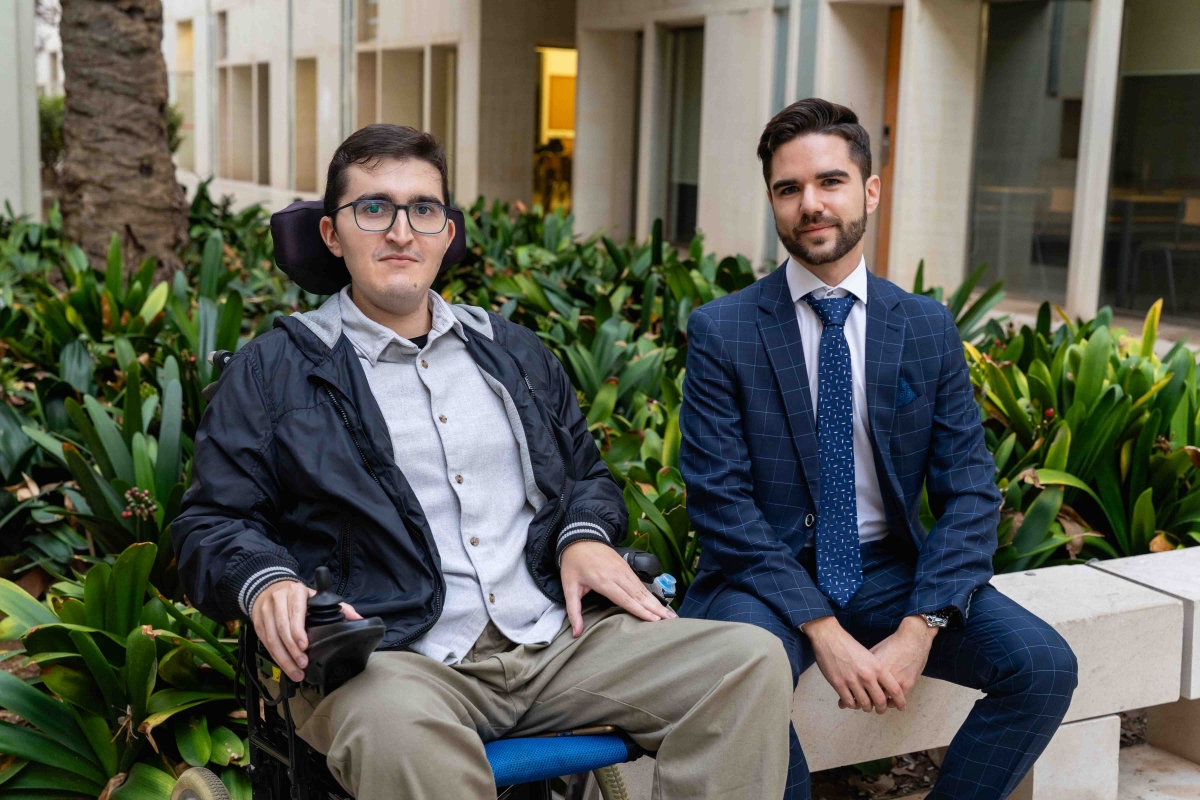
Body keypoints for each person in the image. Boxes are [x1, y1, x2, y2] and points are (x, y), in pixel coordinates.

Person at [172, 123, 792, 800]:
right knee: (396, 732)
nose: (401, 232)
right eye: (373, 209)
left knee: (746, 661)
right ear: (331, 234)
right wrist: (266, 582)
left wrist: (584, 535)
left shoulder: (515, 354)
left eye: (424, 210)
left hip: (555, 641)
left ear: (447, 233)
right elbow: (211, 524)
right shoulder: (274, 370)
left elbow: (588, 477)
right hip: (394, 659)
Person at [677, 99, 1078, 800]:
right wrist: (825, 632)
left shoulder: (924, 326)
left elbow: (972, 493)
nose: (811, 204)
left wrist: (920, 628)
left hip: (889, 568)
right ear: (772, 200)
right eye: (788, 188)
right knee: (740, 680)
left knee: (1042, 666)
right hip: (763, 574)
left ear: (869, 191)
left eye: (830, 182)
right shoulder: (723, 330)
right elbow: (720, 505)